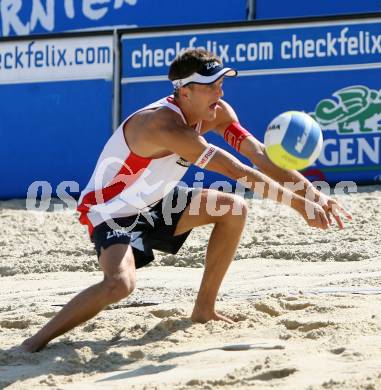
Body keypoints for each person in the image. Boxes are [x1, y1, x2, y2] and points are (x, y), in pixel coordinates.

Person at [22, 49, 352, 352]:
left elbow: (260, 157)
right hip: (112, 212)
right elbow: (234, 169)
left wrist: (313, 193)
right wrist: (298, 205)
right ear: (185, 90)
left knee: (233, 208)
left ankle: (204, 310)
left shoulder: (217, 112)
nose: (220, 92)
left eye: (221, 83)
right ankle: (32, 343)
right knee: (119, 285)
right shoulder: (162, 125)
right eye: (211, 86)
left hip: (155, 202)